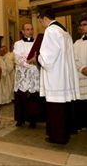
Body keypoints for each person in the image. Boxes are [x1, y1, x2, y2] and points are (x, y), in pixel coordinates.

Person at [28, 8, 80, 144]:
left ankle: (57, 137)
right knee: (64, 107)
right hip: (64, 76)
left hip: (55, 77)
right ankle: (66, 133)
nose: (41, 24)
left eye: (40, 21)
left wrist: (37, 57)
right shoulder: (64, 31)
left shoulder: (51, 31)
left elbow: (48, 58)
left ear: (44, 18)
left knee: (55, 108)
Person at [13, 23, 42, 128]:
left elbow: (40, 57)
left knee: (33, 98)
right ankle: (20, 119)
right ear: (23, 31)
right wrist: (29, 63)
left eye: (31, 29)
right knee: (21, 97)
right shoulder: (18, 43)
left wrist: (33, 61)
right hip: (22, 75)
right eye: (27, 29)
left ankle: (32, 120)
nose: (29, 31)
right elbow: (17, 58)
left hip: (34, 75)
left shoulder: (37, 43)